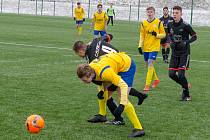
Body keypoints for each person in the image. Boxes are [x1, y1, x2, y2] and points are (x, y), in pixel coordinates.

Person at [73, 35, 147, 124]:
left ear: (81, 50)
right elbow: (107, 37)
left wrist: (121, 105)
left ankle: (132, 125)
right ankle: (104, 114)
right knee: (106, 93)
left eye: (78, 54)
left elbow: (104, 79)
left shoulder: (93, 57)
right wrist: (102, 91)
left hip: (123, 65)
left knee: (120, 93)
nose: (79, 56)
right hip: (114, 62)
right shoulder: (94, 42)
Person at [76, 52, 145, 137]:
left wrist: (122, 105)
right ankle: (102, 115)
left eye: (85, 80)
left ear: (90, 74)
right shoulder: (91, 68)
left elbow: (123, 85)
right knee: (105, 95)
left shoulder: (105, 72)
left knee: (122, 96)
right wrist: (102, 90)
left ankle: (139, 129)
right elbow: (101, 80)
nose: (83, 82)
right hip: (114, 66)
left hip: (127, 66)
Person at [167, 6, 197, 101]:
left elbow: (195, 36)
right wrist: (170, 42)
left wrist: (185, 42)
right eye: (174, 13)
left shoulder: (185, 25)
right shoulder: (170, 24)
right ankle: (185, 86)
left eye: (177, 13)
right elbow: (168, 34)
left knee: (181, 75)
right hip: (175, 53)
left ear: (181, 14)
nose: (174, 14)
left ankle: (187, 95)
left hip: (184, 53)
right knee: (171, 74)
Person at [138, 6, 166, 91]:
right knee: (148, 65)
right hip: (146, 47)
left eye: (151, 12)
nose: (149, 14)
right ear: (146, 13)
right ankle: (156, 79)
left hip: (155, 47)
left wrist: (157, 35)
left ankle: (147, 85)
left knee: (150, 63)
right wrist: (140, 45)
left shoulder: (158, 22)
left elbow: (164, 34)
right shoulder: (143, 23)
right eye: (148, 12)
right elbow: (142, 35)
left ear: (154, 13)